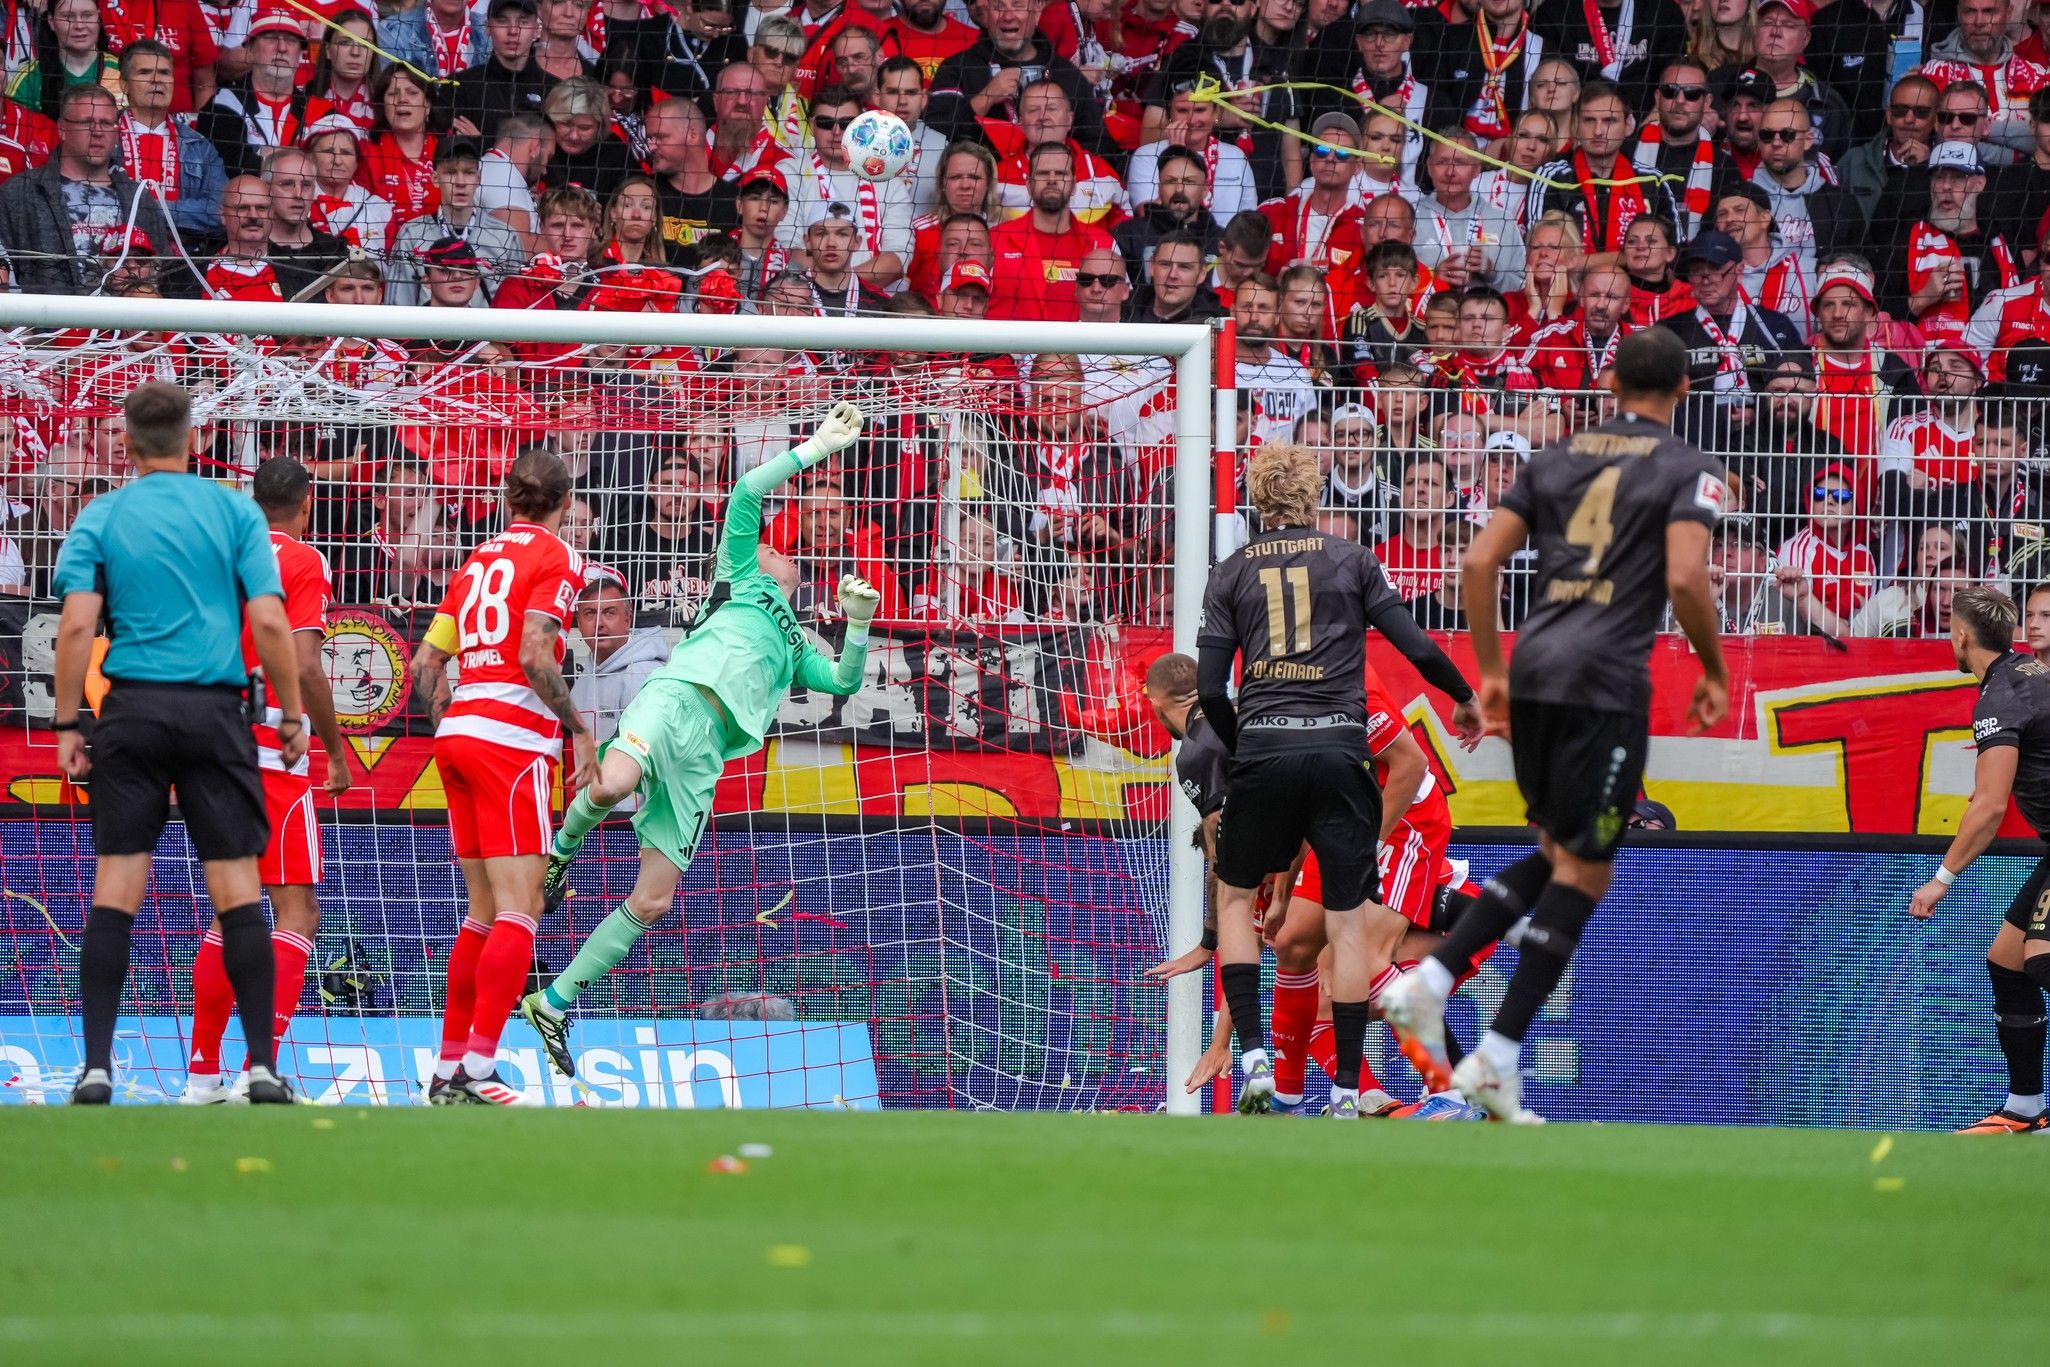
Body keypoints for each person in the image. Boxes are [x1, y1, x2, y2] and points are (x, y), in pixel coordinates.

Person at [1380, 328, 1729, 1123]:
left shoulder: (1550, 457)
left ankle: (1462, 1022)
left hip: (1534, 664)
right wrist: (1711, 667)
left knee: (1557, 850)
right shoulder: (1685, 465)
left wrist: (1491, 668)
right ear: (1682, 389)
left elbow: (1475, 564)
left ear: (1610, 382)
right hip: (1605, 678)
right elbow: (1683, 574)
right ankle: (1480, 1037)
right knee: (1589, 868)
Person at [517, 404, 879, 1077]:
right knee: (615, 784)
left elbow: (842, 680)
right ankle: (561, 853)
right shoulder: (740, 574)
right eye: (771, 542)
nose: (776, 544)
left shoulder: (796, 640)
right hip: (676, 698)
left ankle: (555, 999)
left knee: (653, 898)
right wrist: (814, 449)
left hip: (707, 750)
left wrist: (858, 620)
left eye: (778, 545)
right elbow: (746, 492)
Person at [1194, 441, 1479, 1117]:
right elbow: (1416, 642)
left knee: (1239, 903)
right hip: (1340, 761)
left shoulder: (1230, 570)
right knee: (1314, 932)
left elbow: (1210, 687)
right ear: (1316, 494)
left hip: (1313, 769)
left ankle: (1269, 1062)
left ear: (1257, 501)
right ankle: (1342, 1087)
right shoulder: (1353, 562)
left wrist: (1248, 751)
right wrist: (1463, 695)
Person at [51, 383, 307, 1106]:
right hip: (213, 714)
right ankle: (259, 1067)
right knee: (237, 892)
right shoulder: (230, 509)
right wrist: (290, 712)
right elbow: (268, 618)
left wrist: (69, 723)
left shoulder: (103, 514)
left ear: (128, 444)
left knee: (116, 890)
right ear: (193, 439)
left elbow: (75, 627)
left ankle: (96, 1066)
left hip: (131, 710)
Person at [406, 450, 595, 1105]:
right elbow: (535, 652)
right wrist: (576, 725)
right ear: (564, 502)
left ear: (509, 497)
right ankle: (478, 1071)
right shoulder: (558, 558)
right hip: (510, 743)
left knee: (482, 912)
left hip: (458, 735)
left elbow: (425, 665)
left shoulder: (474, 563)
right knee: (524, 906)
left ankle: (447, 1069)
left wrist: (452, 726)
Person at [180, 458, 352, 1103]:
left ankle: (201, 1075)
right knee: (296, 911)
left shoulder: (219, 556)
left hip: (209, 735)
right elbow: (307, 665)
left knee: (230, 909)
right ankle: (264, 1070)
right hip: (269, 742)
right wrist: (332, 750)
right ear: (306, 504)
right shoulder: (303, 560)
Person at [1908, 586, 2050, 1135]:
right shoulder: (2027, 674)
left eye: (1950, 627)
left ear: (1962, 636)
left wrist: (1941, 879)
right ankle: (2025, 1106)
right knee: (2008, 961)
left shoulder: (2000, 696)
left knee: (2040, 957)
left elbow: (1989, 808)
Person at [0, 84, 178, 297]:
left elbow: (161, 275)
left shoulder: (140, 198)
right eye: (86, 122)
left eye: (106, 123)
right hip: (49, 325)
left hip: (128, 326)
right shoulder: (20, 193)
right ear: (62, 129)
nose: (97, 132)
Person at [568, 572, 669, 748]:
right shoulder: (589, 670)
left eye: (609, 612)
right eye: (590, 613)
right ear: (579, 622)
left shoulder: (643, 676)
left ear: (627, 619)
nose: (599, 622)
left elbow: (647, 750)